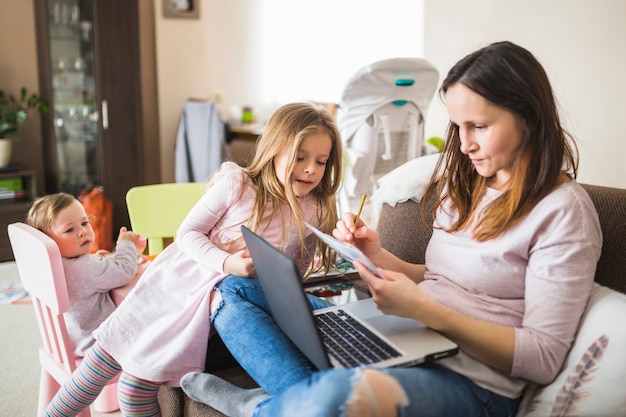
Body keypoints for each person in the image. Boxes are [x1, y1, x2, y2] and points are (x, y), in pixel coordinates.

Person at [179, 41, 603, 417]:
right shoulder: (467, 184)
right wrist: (378, 256)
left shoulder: (562, 212)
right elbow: (440, 277)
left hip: (471, 380)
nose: (465, 143)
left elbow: (543, 358)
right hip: (402, 336)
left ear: (527, 116)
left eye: (479, 126)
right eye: (457, 126)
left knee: (332, 399)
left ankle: (264, 406)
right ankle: (296, 401)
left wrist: (422, 309)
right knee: (235, 290)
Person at [41, 102, 343, 417]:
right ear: (273, 150)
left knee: (134, 392)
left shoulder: (314, 209)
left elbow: (291, 274)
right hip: (173, 284)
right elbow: (187, 234)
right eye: (300, 157)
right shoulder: (238, 184)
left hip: (206, 306)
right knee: (99, 362)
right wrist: (229, 264)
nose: (311, 169)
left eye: (321, 161)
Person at [25, 192, 146, 356]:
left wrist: (95, 261)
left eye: (84, 222)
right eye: (69, 230)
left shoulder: (48, 266)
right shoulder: (87, 267)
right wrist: (126, 244)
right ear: (48, 240)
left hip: (68, 345)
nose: (82, 232)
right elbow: (125, 271)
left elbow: (82, 276)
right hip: (100, 348)